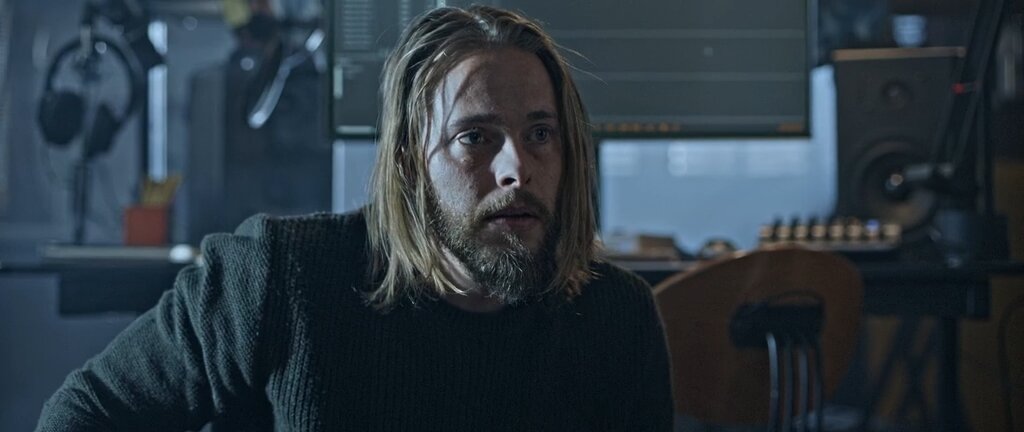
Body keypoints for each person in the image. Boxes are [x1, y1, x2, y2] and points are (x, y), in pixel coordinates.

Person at [36, 5, 673, 431]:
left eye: (540, 133)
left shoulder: (616, 318)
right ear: (409, 163)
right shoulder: (279, 279)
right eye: (475, 138)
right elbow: (82, 416)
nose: (517, 170)